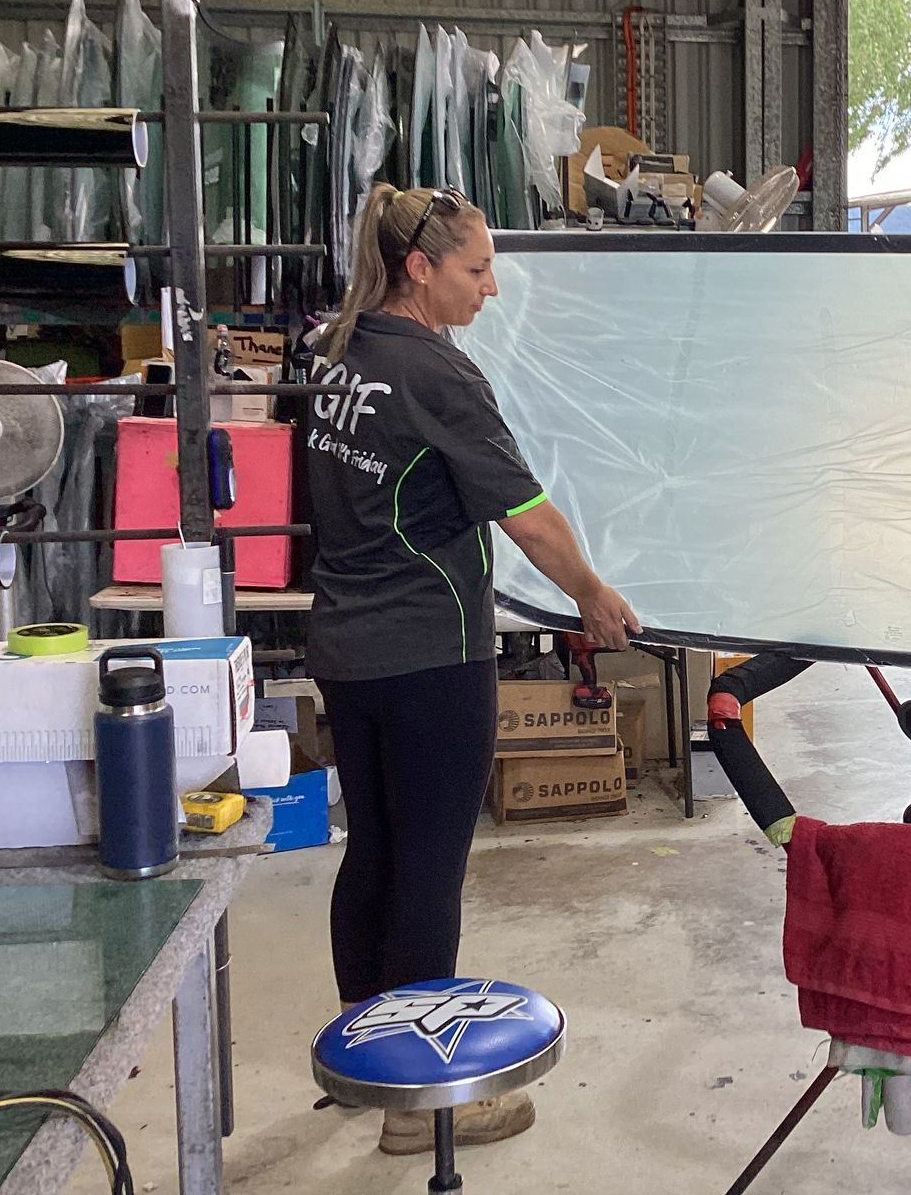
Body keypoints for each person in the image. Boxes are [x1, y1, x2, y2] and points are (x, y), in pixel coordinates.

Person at [305, 184, 641, 1155]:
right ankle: (420, 1112)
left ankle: (360, 1062)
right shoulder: (436, 375)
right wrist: (592, 592)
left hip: (348, 651)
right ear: (422, 269)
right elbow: (527, 515)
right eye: (476, 269)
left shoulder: (337, 351)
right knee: (428, 875)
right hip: (427, 652)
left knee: (373, 852)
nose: (491, 289)